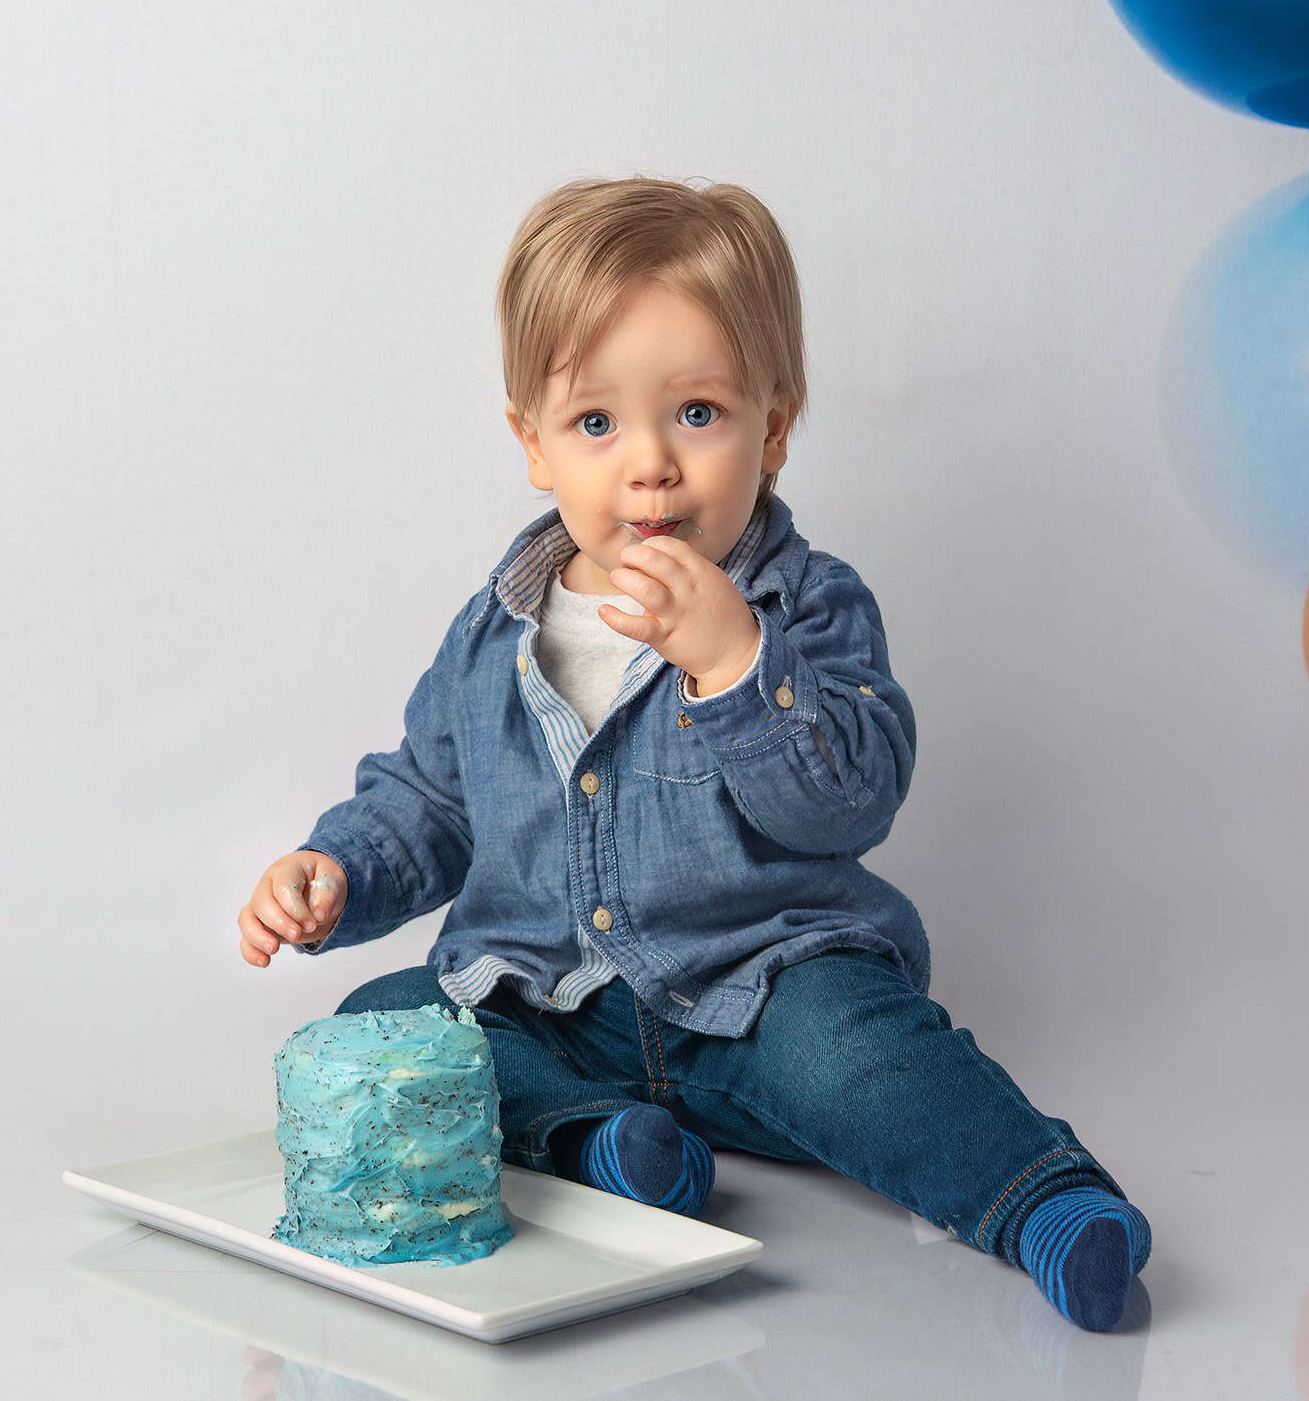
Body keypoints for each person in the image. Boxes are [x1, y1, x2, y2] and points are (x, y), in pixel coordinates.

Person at [234, 176, 1151, 1330]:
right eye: (596, 423)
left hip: (765, 996)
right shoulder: (492, 630)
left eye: (699, 414)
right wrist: (337, 871)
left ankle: (1042, 1204)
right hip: (552, 1007)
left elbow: (850, 803)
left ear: (774, 425)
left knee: (862, 1059)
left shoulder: (806, 607)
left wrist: (732, 661)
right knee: (387, 1020)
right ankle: (604, 1146)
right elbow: (429, 797)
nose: (651, 464)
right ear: (532, 443)